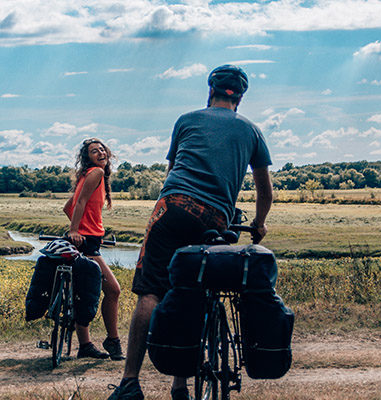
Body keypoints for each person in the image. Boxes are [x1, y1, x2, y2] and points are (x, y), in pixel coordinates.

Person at [107, 65, 273, 400]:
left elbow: (171, 172)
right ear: (240, 97)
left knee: (151, 292)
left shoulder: (186, 120)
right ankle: (180, 386)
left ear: (209, 90)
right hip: (216, 218)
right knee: (194, 290)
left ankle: (129, 383)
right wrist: (259, 224)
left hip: (173, 206)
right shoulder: (253, 132)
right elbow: (265, 191)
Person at [63, 138, 126, 361]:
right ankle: (112, 340)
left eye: (102, 149)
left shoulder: (87, 175)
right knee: (113, 290)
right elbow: (78, 205)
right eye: (93, 151)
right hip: (87, 243)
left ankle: (86, 345)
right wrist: (76, 230)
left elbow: (67, 206)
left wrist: (77, 229)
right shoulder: (96, 174)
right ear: (87, 157)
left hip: (86, 239)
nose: (100, 152)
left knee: (83, 290)